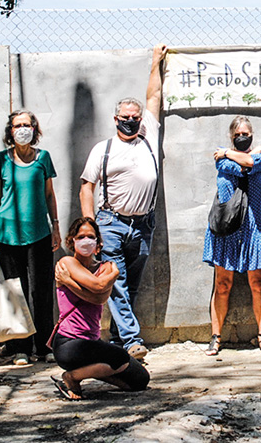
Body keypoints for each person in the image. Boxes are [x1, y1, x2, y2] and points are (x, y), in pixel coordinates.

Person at [79, 44, 167, 360]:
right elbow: (86, 187)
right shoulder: (102, 150)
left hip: (143, 224)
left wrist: (155, 61)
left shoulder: (149, 136)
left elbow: (154, 98)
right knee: (116, 283)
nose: (130, 121)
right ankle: (131, 340)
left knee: (130, 285)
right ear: (115, 119)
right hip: (111, 223)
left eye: (135, 117)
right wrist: (90, 227)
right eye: (125, 118)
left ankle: (117, 339)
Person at [0, 109, 59, 365]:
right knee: (15, 292)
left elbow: (50, 195)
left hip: (39, 234)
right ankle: (20, 348)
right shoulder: (1, 160)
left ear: (35, 129)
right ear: (10, 131)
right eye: (18, 125)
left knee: (42, 292)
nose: (23, 129)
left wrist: (56, 228)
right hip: (7, 236)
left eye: (27, 124)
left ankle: (44, 346)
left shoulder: (43, 158)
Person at [203, 116, 261, 356]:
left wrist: (231, 152)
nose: (242, 137)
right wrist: (242, 155)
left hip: (256, 226)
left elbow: (253, 163)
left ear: (252, 134)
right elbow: (243, 164)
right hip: (228, 227)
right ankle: (216, 337)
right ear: (231, 137)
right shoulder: (222, 160)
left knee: (258, 283)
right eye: (237, 135)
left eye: (246, 133)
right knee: (222, 284)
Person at [50, 217, 150, 400]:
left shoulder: (104, 267)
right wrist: (112, 275)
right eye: (80, 236)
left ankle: (84, 371)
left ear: (98, 242)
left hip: (91, 343)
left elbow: (102, 297)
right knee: (119, 357)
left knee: (140, 380)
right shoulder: (67, 263)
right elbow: (97, 287)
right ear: (72, 240)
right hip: (68, 343)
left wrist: (70, 282)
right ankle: (70, 377)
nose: (86, 241)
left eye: (90, 236)